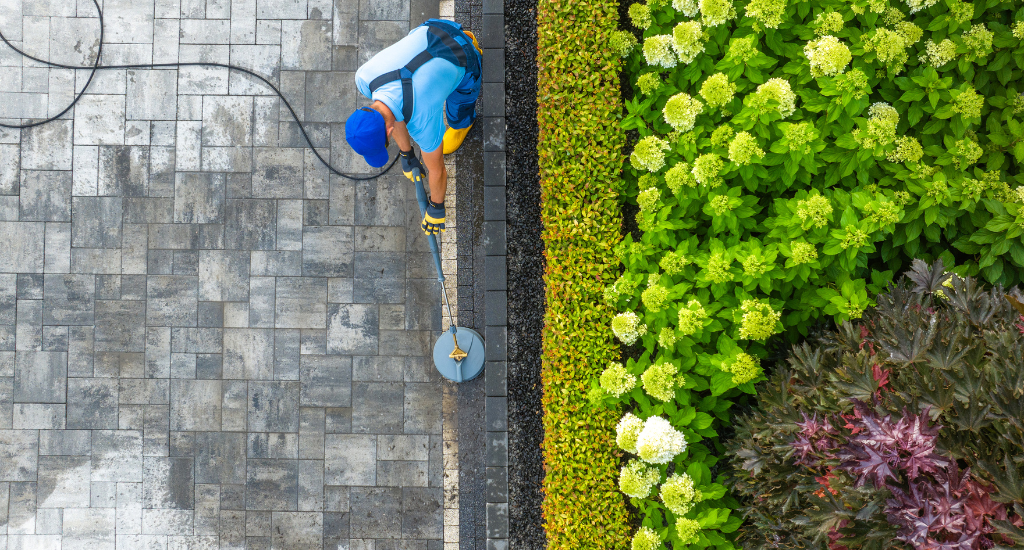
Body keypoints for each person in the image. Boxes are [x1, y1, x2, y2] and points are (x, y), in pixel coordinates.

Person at [344, 19, 483, 236]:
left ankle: (464, 120)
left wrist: (437, 207)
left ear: (389, 133)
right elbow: (392, 113)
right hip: (432, 28)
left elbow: (437, 171)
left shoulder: (422, 121)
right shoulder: (365, 78)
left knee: (459, 112)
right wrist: (407, 154)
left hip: (464, 58)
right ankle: (462, 34)